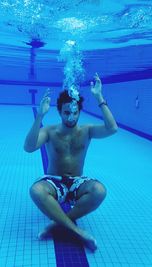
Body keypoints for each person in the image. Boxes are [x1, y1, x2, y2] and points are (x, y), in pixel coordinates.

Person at [24, 73, 118, 251]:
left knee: (100, 191)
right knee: (36, 190)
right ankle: (75, 230)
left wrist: (99, 97)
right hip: (54, 181)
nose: (71, 117)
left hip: (77, 182)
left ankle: (57, 224)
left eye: (75, 112)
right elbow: (28, 147)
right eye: (66, 112)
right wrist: (39, 117)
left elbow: (112, 128)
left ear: (79, 111)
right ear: (59, 111)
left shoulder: (87, 130)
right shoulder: (50, 131)